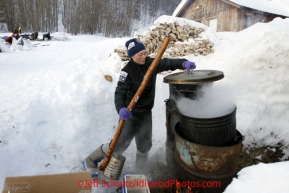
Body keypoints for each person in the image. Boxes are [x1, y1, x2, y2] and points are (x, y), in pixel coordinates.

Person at [82, 38, 196, 175]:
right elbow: (120, 92)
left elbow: (167, 62)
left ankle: (140, 171)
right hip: (131, 114)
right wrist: (121, 108)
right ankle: (90, 161)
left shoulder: (151, 63)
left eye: (144, 53)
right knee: (118, 145)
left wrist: (183, 62)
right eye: (139, 54)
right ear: (131, 56)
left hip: (146, 113)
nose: (143, 57)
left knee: (145, 145)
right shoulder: (127, 72)